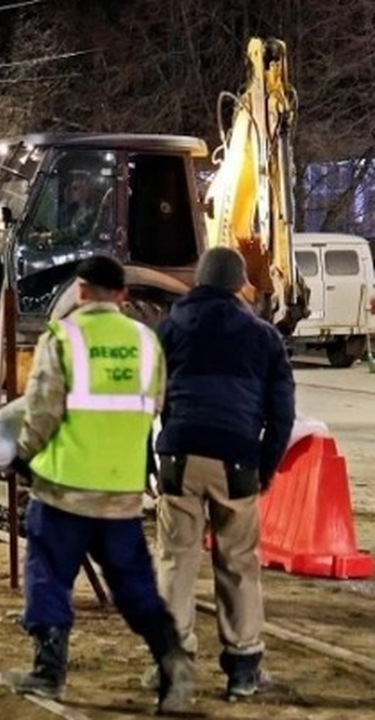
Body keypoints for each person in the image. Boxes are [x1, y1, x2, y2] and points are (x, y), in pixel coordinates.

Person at [7, 256, 193, 712]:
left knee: (47, 577)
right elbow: (154, 405)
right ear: (124, 296)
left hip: (63, 489)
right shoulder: (147, 342)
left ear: (82, 291)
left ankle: (49, 673)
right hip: (122, 495)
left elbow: (42, 411)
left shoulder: (64, 338)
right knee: (135, 588)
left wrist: (23, 455)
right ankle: (171, 658)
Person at [153, 247, 294, 700]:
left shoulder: (170, 327)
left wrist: (150, 458)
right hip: (236, 460)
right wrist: (265, 467)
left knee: (176, 561)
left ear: (198, 281)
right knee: (237, 565)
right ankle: (243, 669)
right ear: (239, 285)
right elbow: (281, 415)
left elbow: (149, 399)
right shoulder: (264, 336)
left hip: (179, 456)